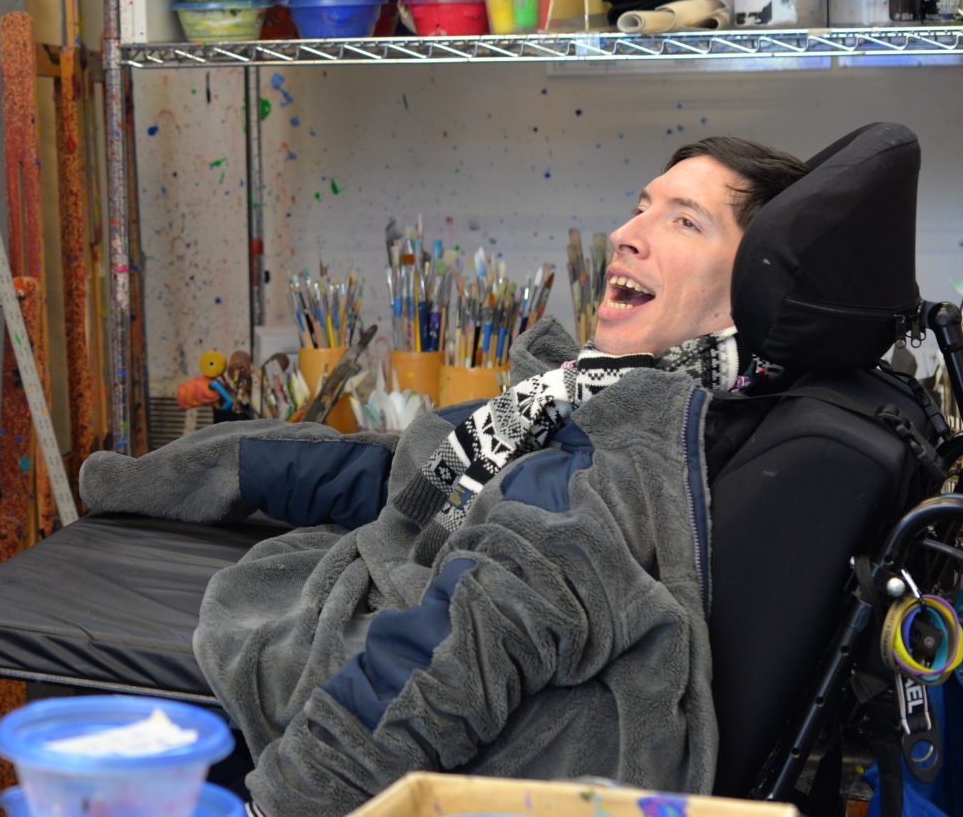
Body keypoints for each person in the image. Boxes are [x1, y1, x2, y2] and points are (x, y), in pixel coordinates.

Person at [79, 136, 811, 817]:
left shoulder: (627, 454)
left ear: (757, 286)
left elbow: (453, 654)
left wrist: (281, 799)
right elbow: (420, 475)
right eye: (643, 204)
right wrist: (223, 467)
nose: (629, 231)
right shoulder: (591, 394)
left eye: (685, 221)